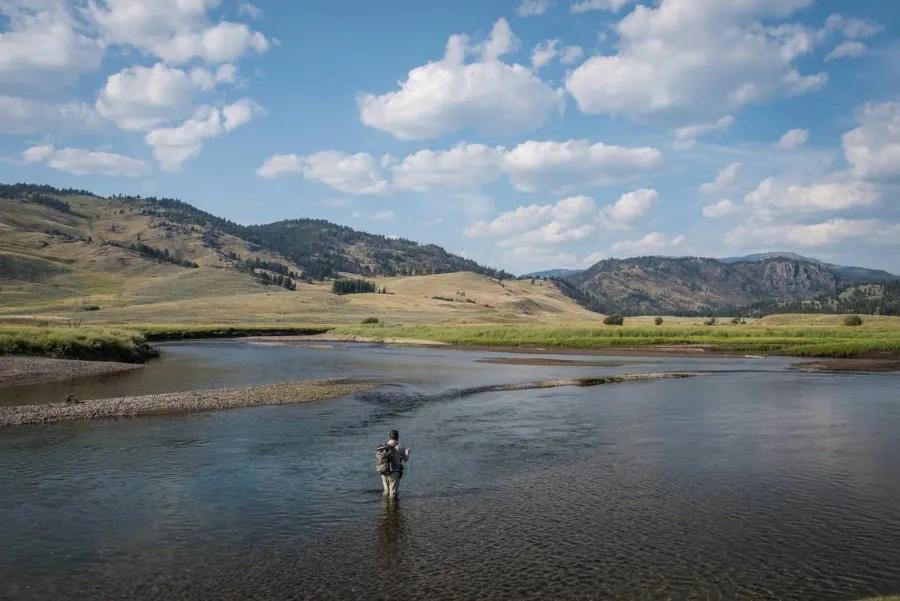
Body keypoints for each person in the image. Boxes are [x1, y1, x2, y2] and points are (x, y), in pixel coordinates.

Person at [378, 430, 410, 499]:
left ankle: (384, 507)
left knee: (386, 491)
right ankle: (393, 508)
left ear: (389, 437)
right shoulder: (400, 447)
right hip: (394, 472)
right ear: (397, 437)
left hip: (384, 470)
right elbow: (406, 459)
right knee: (392, 493)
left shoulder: (384, 445)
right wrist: (407, 452)